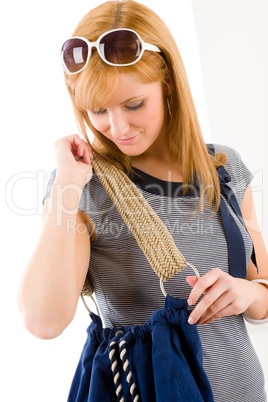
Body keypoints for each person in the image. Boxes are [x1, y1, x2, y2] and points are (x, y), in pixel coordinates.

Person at [17, 0, 268, 400]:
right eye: (98, 110)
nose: (117, 128)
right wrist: (67, 184)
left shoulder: (225, 167)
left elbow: (262, 286)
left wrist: (249, 293)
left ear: (167, 82)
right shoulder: (86, 187)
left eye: (134, 105)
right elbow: (42, 321)